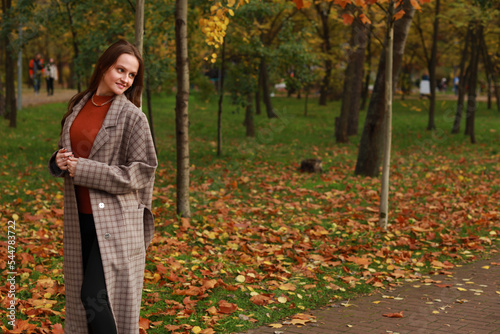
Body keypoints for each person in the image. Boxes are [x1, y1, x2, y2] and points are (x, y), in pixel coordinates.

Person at [48, 40, 157, 334]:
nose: (125, 79)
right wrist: (57, 161)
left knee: (93, 295)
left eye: (132, 75)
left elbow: (142, 172)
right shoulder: (78, 105)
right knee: (88, 303)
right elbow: (69, 150)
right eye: (120, 69)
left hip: (116, 220)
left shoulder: (133, 117)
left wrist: (85, 170)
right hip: (80, 218)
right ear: (104, 67)